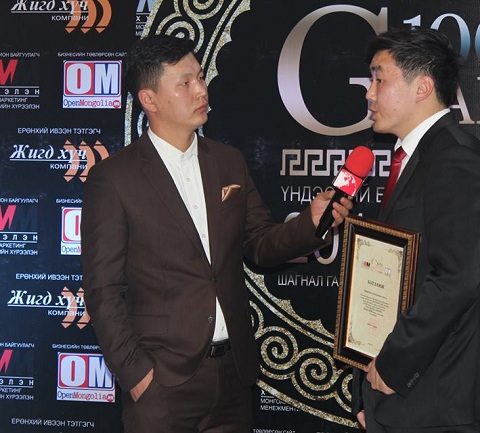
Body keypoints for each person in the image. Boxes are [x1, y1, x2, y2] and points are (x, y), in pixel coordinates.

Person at [81, 33, 352, 433]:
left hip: (233, 377)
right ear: (149, 99)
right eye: (185, 82)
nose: (201, 90)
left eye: (200, 77)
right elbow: (102, 289)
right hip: (162, 384)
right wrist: (136, 374)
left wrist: (310, 225)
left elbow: (259, 244)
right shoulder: (114, 178)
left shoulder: (227, 162)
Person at [351, 27, 480, 432]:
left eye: (379, 79)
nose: (369, 93)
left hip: (434, 398)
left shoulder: (455, 159)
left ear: (422, 87)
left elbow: (456, 280)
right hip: (393, 394)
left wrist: (393, 365)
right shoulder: (411, 158)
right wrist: (365, 386)